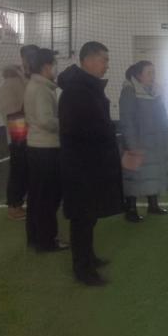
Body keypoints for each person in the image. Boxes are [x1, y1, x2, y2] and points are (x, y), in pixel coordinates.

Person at [57, 42, 124, 286]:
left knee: (89, 216)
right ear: (88, 60)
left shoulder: (87, 87)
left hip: (91, 163)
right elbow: (78, 129)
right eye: (104, 59)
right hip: (82, 166)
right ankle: (82, 269)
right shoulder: (77, 91)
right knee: (82, 218)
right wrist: (105, 136)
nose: (107, 65)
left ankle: (89, 258)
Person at [24, 48, 67, 253]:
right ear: (46, 66)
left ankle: (35, 237)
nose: (56, 68)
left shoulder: (36, 85)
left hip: (37, 147)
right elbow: (45, 120)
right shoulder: (41, 88)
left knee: (37, 196)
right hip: (46, 149)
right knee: (48, 197)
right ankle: (47, 240)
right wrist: (66, 122)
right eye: (54, 64)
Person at [119, 60, 168, 222]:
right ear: (139, 75)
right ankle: (131, 209)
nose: (153, 76)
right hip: (138, 143)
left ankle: (153, 204)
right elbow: (127, 120)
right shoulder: (129, 91)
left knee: (153, 173)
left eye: (153, 72)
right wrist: (132, 145)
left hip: (155, 142)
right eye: (149, 72)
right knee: (134, 176)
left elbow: (162, 115)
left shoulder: (155, 91)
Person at [0, 45, 39, 220]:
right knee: (19, 170)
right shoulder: (12, 80)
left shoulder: (33, 77)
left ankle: (28, 201)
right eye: (28, 56)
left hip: (35, 134)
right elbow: (9, 111)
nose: (31, 59)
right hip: (19, 135)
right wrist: (21, 137)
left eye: (34, 56)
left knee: (31, 170)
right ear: (22, 58)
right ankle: (14, 206)